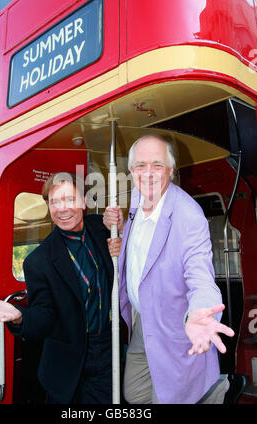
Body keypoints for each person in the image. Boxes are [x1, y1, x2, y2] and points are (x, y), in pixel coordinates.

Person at [104, 135, 235, 404]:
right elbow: (142, 246)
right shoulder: (137, 199)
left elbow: (200, 274)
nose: (148, 173)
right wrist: (119, 233)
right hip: (142, 320)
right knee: (135, 393)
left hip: (176, 327)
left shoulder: (189, 215)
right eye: (140, 166)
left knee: (170, 397)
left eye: (157, 165)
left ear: (171, 170)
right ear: (131, 171)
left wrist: (202, 310)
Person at [0, 172, 117, 404]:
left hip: (107, 352)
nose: (62, 208)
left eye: (70, 199)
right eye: (55, 202)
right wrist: (20, 316)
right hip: (66, 367)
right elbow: (44, 316)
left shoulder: (101, 229)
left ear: (83, 202)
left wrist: (119, 227)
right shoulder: (38, 261)